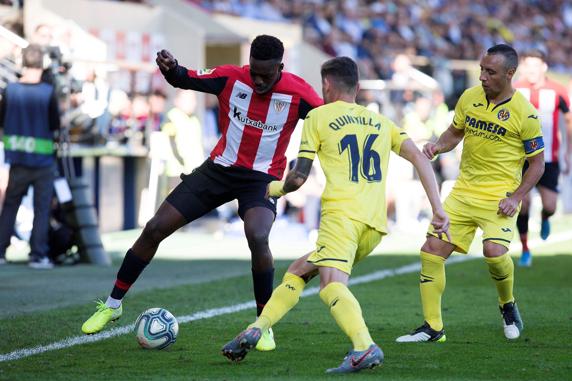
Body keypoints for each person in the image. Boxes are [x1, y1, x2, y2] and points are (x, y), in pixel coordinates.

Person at [81, 35, 323, 353]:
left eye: (266, 74)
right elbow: (186, 78)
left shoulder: (299, 92)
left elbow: (326, 123)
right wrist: (171, 69)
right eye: (254, 72)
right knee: (155, 228)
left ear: (280, 66)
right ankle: (112, 305)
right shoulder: (230, 77)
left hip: (261, 179)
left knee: (257, 235)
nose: (259, 80)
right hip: (217, 171)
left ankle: (263, 324)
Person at [221, 57, 449, 373]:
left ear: (326, 85)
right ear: (356, 86)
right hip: (373, 225)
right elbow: (421, 160)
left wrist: (274, 191)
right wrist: (438, 209)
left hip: (340, 216)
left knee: (330, 285)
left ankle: (363, 346)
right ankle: (257, 328)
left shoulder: (318, 117)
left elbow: (298, 177)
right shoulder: (382, 122)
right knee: (300, 270)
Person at [396, 44, 545, 343]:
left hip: (498, 197)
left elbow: (537, 164)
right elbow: (455, 131)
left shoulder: (526, 114)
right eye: (481, 69)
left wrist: (515, 197)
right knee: (431, 251)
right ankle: (433, 327)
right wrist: (438, 145)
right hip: (463, 192)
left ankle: (507, 304)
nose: (482, 77)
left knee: (494, 253)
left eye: (490, 72)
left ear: (509, 74)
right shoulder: (469, 97)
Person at [0, 44, 61, 269]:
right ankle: (38, 255)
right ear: (43, 63)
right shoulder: (48, 92)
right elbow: (55, 124)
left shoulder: (10, 90)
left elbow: (2, 120)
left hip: (17, 159)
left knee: (10, 205)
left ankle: (0, 251)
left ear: (22, 62)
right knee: (42, 208)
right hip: (43, 160)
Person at [514, 49, 572, 267]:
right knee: (524, 204)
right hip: (521, 158)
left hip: (549, 158)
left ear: (543, 67)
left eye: (534, 66)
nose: (530, 70)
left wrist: (567, 151)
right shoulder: (515, 90)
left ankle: (546, 218)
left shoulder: (557, 91)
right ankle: (525, 249)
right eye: (527, 66)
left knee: (550, 206)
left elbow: (568, 120)